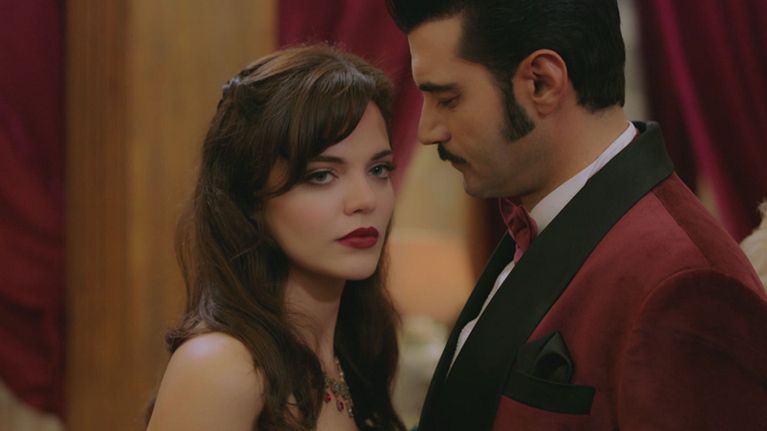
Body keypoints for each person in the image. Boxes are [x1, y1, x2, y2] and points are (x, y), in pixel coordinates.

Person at [386, 1, 767, 429]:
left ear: (542, 82)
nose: (427, 131)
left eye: (448, 99)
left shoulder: (689, 286)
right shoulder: (542, 220)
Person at [145, 45, 406, 431]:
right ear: (250, 198)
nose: (365, 200)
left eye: (379, 169)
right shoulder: (221, 367)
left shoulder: (353, 355)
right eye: (321, 175)